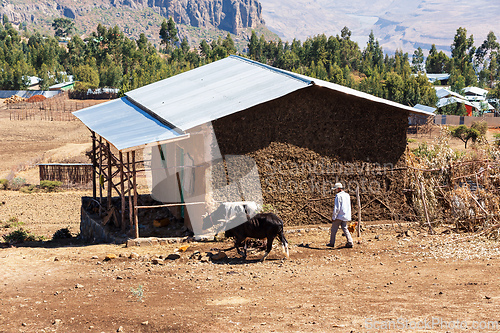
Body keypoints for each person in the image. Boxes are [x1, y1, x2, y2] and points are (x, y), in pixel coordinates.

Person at [326, 182, 353, 248]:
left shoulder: (338, 196)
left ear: (338, 189)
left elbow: (337, 208)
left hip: (339, 215)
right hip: (345, 215)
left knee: (333, 230)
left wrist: (334, 217)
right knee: (345, 228)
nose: (335, 191)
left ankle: (332, 243)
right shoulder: (347, 195)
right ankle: (350, 241)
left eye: (336, 189)